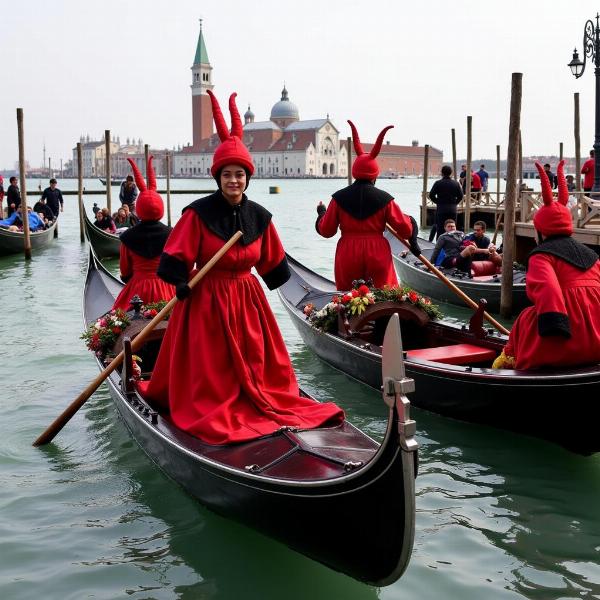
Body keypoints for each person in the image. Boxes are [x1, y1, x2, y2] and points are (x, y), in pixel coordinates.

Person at [142, 89, 344, 445]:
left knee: (259, 363)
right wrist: (180, 282)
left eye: (239, 174)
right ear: (217, 177)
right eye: (227, 175)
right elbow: (175, 257)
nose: (234, 180)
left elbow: (274, 264)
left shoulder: (259, 216)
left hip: (247, 299)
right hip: (206, 298)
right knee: (212, 370)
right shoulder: (197, 213)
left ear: (248, 178)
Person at [493, 160, 600, 370]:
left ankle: (506, 362)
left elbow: (547, 291)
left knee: (524, 319)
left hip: (563, 337)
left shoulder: (541, 256)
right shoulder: (592, 256)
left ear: (542, 231)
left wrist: (554, 326)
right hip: (596, 334)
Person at [315, 120, 419, 290]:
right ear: (375, 174)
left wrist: (321, 213)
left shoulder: (338, 198)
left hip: (348, 253)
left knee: (348, 299)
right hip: (377, 252)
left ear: (355, 172)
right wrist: (409, 220)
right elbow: (405, 230)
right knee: (383, 297)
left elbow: (327, 231)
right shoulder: (385, 199)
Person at [112, 157, 175, 311]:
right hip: (166, 289)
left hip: (138, 289)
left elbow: (125, 271)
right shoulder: (172, 233)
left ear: (139, 207)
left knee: (119, 317)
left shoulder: (127, 237)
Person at [428, 165, 463, 241]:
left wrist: (438, 202)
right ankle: (452, 244)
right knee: (452, 228)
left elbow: (431, 195)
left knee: (440, 229)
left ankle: (439, 247)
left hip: (441, 209)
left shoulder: (438, 183)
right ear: (451, 173)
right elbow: (460, 196)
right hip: (452, 209)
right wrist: (455, 203)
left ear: (442, 173)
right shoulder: (456, 183)